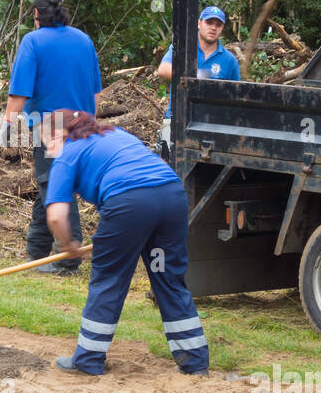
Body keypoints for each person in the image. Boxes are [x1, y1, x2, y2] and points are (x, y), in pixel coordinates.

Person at [41, 109, 209, 376]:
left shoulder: (68, 154)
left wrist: (68, 246)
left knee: (109, 279)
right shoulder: (115, 134)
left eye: (47, 141)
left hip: (129, 204)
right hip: (171, 197)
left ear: (61, 134)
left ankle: (88, 360)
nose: (48, 150)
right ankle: (195, 363)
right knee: (167, 277)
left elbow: (56, 216)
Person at [0, 0, 102, 274]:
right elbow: (95, 92)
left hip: (50, 127)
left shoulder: (32, 41)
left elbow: (19, 93)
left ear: (35, 13)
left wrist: (7, 124)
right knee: (51, 183)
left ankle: (68, 258)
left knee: (55, 185)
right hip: (83, 124)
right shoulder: (83, 39)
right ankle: (37, 249)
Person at [156, 5, 240, 160]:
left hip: (213, 124)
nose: (213, 28)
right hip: (177, 119)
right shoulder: (182, 48)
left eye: (218, 24)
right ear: (199, 23)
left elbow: (236, 96)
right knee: (168, 166)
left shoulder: (229, 60)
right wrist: (203, 76)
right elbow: (164, 70)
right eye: (209, 23)